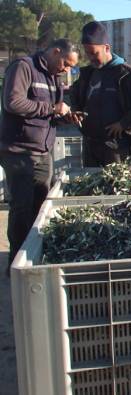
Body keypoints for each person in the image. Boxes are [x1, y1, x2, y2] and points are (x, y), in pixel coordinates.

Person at [0, 39, 79, 274]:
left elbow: (50, 110)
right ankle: (17, 265)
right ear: (55, 52)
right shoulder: (23, 67)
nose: (66, 70)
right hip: (19, 152)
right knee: (22, 209)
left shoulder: (54, 76)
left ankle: (34, 259)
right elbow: (13, 103)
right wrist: (52, 110)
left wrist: (65, 116)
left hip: (43, 151)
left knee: (41, 208)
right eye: (66, 63)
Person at [68, 21, 131, 167]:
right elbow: (75, 92)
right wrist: (75, 110)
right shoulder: (88, 74)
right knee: (92, 188)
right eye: (87, 53)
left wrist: (124, 123)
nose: (91, 58)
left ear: (106, 48)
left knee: (113, 187)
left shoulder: (129, 75)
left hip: (117, 149)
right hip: (91, 147)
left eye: (94, 53)